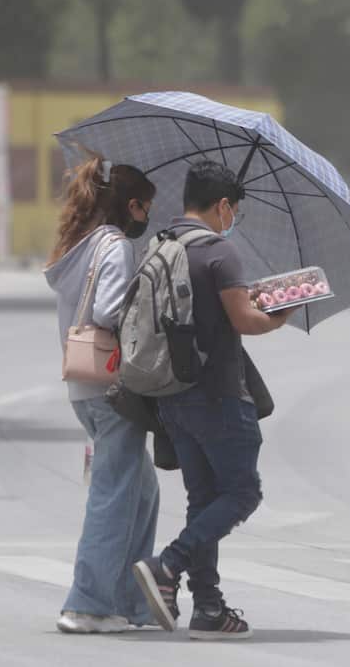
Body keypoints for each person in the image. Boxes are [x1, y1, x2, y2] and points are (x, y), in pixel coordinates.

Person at [132, 161, 291, 640]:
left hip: (171, 396)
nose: (232, 219)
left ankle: (208, 607)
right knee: (243, 493)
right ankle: (168, 565)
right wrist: (279, 315)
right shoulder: (220, 252)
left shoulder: (161, 245)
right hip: (220, 394)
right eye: (233, 210)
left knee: (203, 501)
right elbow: (244, 321)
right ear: (223, 205)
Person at [44, 156, 158, 634]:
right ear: (131, 206)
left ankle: (130, 602)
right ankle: (87, 604)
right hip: (111, 388)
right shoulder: (114, 248)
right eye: (146, 208)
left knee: (142, 492)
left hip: (83, 388)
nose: (148, 217)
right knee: (114, 494)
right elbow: (110, 311)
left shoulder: (81, 242)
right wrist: (149, 295)